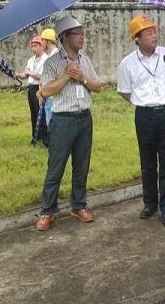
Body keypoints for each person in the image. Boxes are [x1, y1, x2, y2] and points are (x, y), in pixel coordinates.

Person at [117, 14, 165, 225]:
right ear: (137, 38)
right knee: (147, 162)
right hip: (144, 115)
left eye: (154, 31)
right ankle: (150, 203)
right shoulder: (127, 63)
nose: (154, 36)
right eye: (148, 33)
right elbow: (124, 91)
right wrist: (143, 102)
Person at [35, 16, 102, 231]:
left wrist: (82, 77)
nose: (82, 37)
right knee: (56, 167)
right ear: (64, 36)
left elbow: (98, 86)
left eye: (83, 33)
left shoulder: (85, 60)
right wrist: (66, 76)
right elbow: (45, 90)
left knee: (81, 165)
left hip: (84, 118)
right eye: (78, 33)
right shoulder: (52, 63)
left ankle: (79, 205)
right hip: (63, 120)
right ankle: (47, 210)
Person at [15, 35, 48, 145]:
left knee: (41, 113)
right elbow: (25, 74)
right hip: (31, 88)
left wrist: (29, 73)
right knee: (33, 112)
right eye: (32, 46)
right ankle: (35, 137)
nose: (33, 48)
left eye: (35, 46)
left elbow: (42, 76)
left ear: (41, 46)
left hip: (40, 87)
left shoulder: (46, 59)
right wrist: (18, 75)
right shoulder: (31, 60)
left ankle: (44, 138)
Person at [38, 28, 59, 129]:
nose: (41, 43)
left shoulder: (56, 57)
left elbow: (54, 78)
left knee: (53, 128)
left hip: (54, 99)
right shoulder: (49, 57)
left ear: (48, 41)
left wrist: (41, 91)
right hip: (48, 97)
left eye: (42, 40)